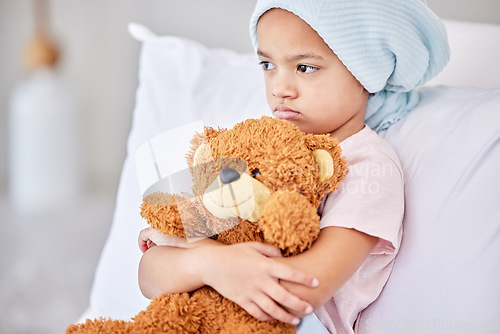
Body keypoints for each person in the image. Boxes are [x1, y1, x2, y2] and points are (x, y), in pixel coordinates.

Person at [137, 0, 449, 333]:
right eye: (267, 64)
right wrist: (209, 261)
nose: (278, 88)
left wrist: (191, 252)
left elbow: (302, 289)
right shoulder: (254, 148)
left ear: (364, 72)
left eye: (305, 68)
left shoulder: (368, 166)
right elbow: (149, 273)